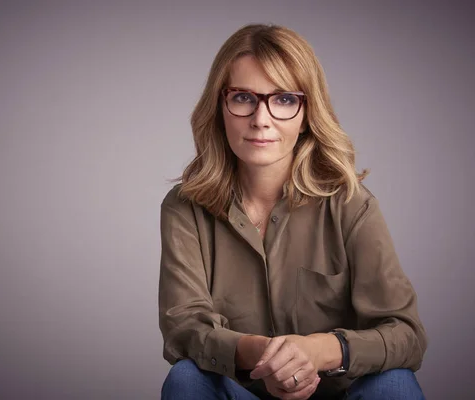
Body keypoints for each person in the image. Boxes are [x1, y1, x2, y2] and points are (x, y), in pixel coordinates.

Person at [158, 24, 427, 400]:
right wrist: (265, 356)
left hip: (341, 393)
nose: (261, 118)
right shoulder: (184, 207)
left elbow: (406, 334)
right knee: (187, 378)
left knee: (395, 383)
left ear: (306, 112)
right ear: (220, 106)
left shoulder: (351, 204)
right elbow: (183, 328)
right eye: (242, 97)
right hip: (240, 392)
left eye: (283, 99)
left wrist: (315, 351)